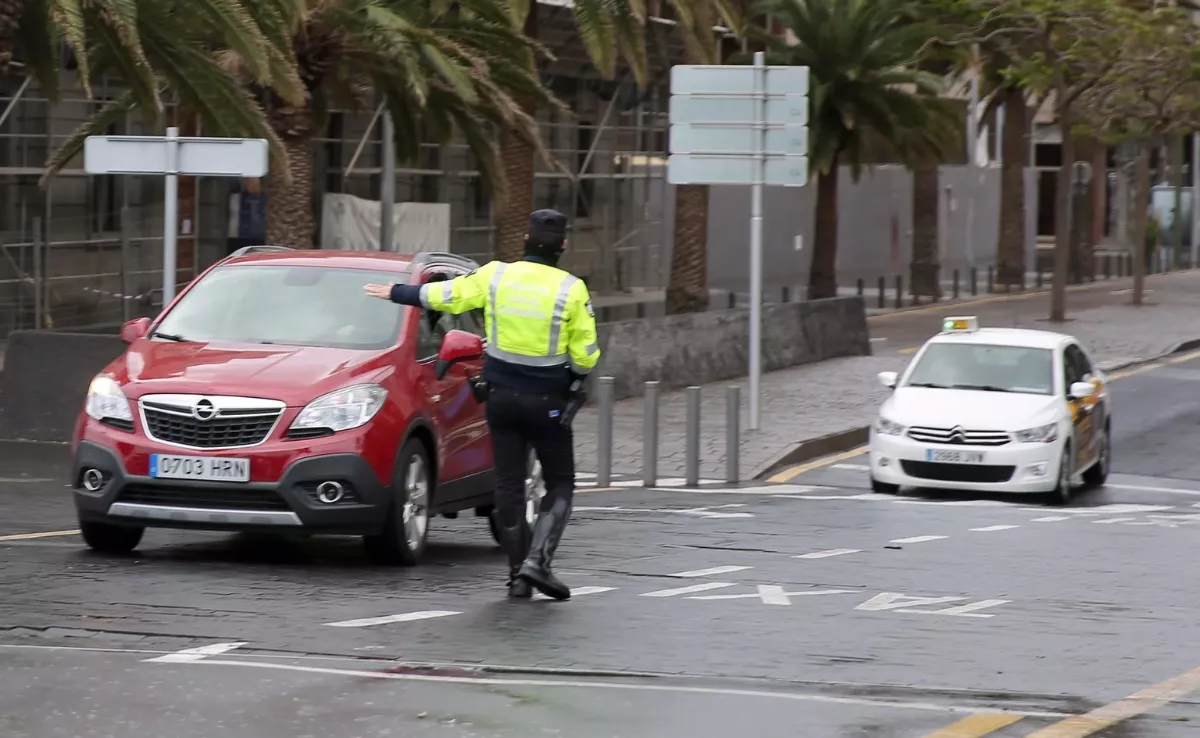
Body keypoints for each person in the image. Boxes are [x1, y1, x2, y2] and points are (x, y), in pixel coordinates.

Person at [364, 209, 600, 601]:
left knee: (508, 485)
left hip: (501, 399)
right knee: (560, 483)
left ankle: (518, 577)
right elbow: (587, 354)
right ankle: (538, 562)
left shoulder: (496, 275)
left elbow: (445, 296)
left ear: (525, 240)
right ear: (563, 246)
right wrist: (574, 375)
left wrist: (396, 292)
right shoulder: (571, 289)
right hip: (548, 403)